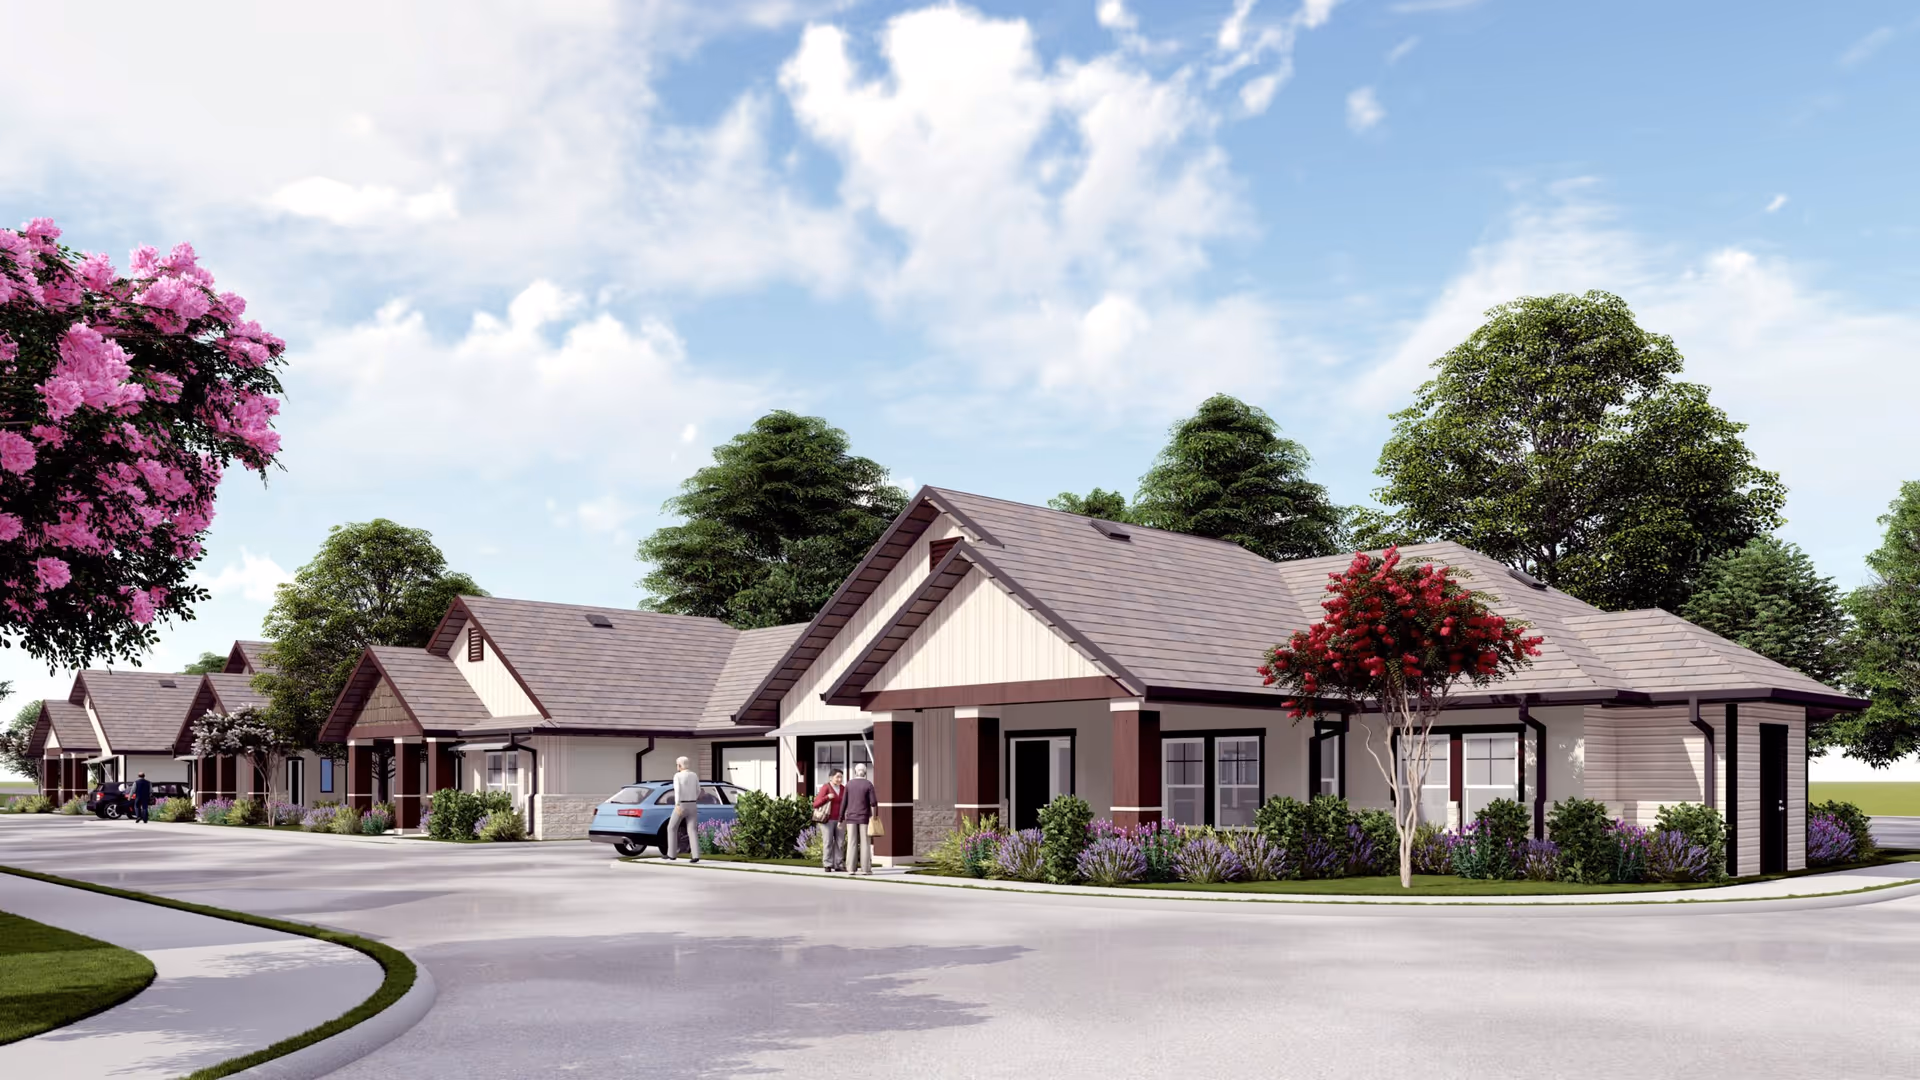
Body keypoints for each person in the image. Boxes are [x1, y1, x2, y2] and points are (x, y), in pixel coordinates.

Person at [841, 762, 877, 875]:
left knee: (852, 842)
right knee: (865, 843)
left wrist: (840, 818)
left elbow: (844, 803)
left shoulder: (849, 784)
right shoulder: (868, 784)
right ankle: (866, 869)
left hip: (851, 818)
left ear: (855, 771)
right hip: (864, 818)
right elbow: (873, 802)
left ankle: (851, 869)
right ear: (865, 772)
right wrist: (874, 816)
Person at [666, 757, 701, 863]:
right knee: (692, 829)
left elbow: (677, 791)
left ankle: (671, 854)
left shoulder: (678, 776)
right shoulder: (694, 775)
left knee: (671, 827)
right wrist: (694, 798)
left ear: (680, 765)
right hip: (693, 804)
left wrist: (677, 804)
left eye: (677, 764)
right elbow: (698, 790)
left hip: (681, 804)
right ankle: (695, 855)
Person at [812, 769, 847, 872]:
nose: (840, 779)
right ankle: (827, 864)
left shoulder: (843, 788)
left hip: (840, 819)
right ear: (831, 777)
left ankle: (839, 864)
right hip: (827, 820)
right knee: (828, 842)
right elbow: (815, 804)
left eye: (841, 777)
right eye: (838, 777)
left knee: (840, 843)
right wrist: (827, 797)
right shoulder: (826, 787)